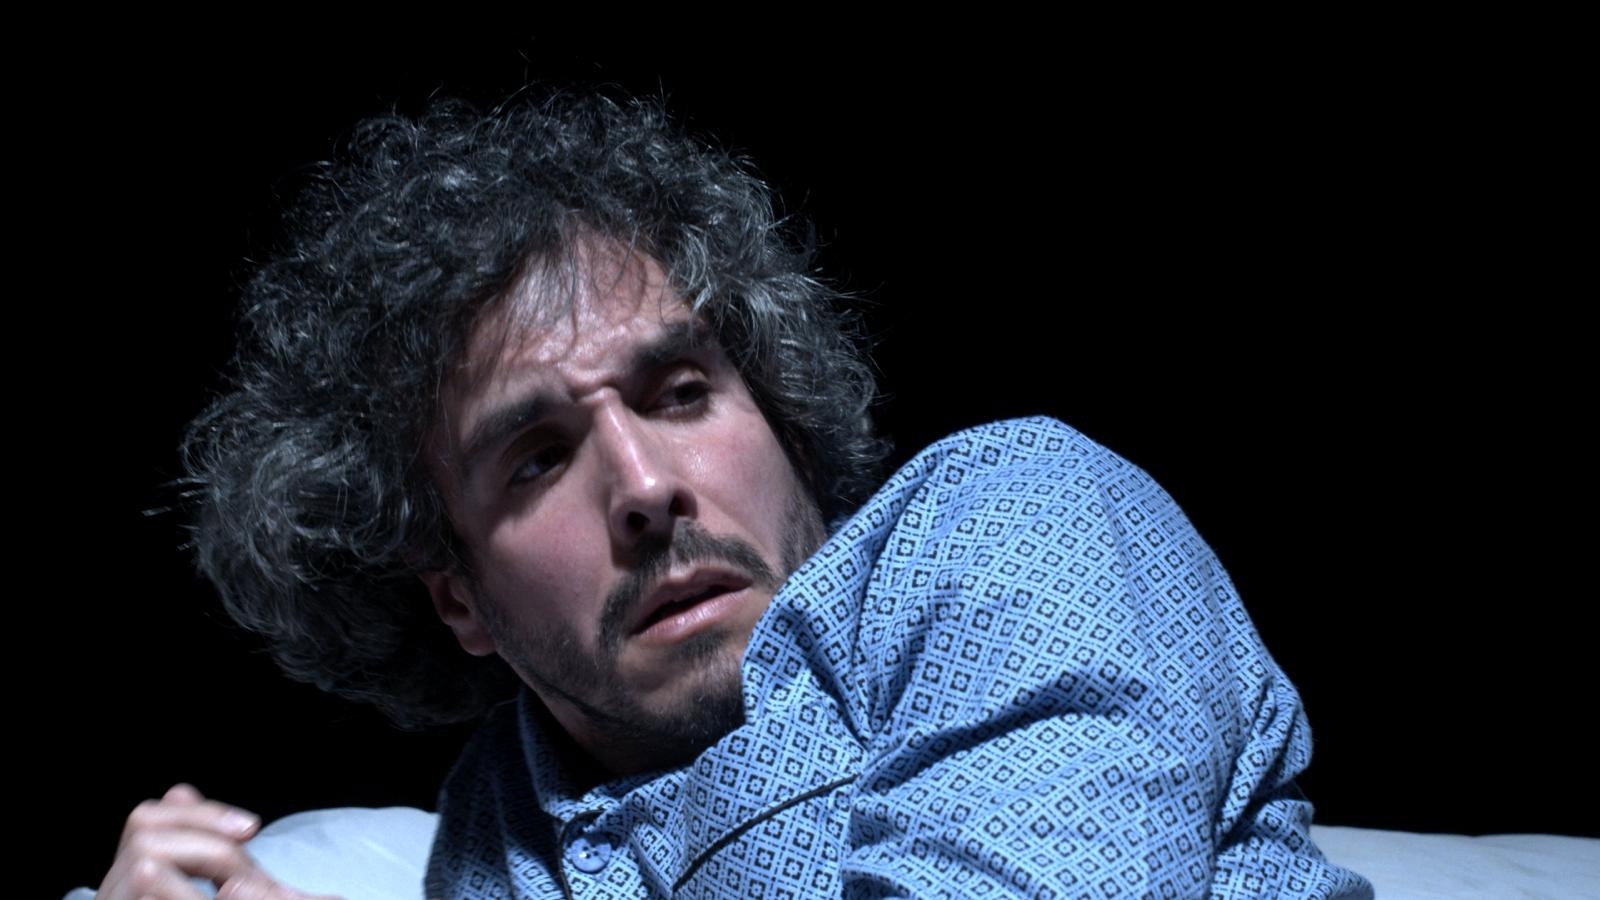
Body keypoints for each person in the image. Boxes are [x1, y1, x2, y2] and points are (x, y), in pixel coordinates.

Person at [99, 88, 1371, 898]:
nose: (645, 486)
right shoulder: (501, 822)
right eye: (536, 457)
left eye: (679, 393)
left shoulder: (1015, 522)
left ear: (780, 414)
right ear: (459, 600)